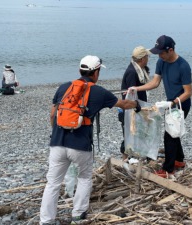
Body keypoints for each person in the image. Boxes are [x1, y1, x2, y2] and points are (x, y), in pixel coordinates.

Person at [40, 55, 141, 225]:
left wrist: (55, 133)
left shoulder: (64, 87)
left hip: (57, 143)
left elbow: (52, 114)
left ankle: (46, 220)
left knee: (53, 183)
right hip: (80, 145)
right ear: (96, 72)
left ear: (80, 70)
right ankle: (78, 215)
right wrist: (137, 105)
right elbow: (123, 104)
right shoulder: (99, 92)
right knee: (84, 178)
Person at [133, 35, 192, 179]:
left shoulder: (183, 66)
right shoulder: (161, 62)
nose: (159, 55)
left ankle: (168, 169)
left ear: (170, 50)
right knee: (174, 131)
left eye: (161, 52)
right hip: (169, 103)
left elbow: (188, 92)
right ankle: (179, 160)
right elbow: (155, 82)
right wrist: (136, 89)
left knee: (169, 135)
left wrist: (172, 103)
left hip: (181, 104)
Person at [119, 46, 150, 160]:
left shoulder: (140, 69)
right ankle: (125, 157)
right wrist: (135, 107)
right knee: (128, 132)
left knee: (137, 131)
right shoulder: (132, 72)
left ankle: (136, 155)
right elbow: (130, 93)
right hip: (130, 107)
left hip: (138, 105)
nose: (148, 58)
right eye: (147, 56)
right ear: (142, 59)